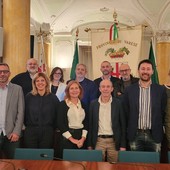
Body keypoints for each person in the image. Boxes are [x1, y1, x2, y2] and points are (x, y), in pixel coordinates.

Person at [123, 59, 167, 152]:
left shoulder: (160, 90)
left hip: (154, 134)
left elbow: (162, 111)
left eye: (148, 69)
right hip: (135, 134)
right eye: (143, 69)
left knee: (154, 164)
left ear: (152, 71)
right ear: (138, 71)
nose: (145, 71)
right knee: (136, 165)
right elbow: (126, 112)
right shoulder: (129, 90)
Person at [87, 79, 126, 162]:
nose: (105, 89)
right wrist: (89, 144)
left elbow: (123, 125)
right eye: (103, 87)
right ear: (99, 89)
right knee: (96, 166)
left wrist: (123, 145)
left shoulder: (118, 103)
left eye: (108, 87)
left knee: (114, 167)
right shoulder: (93, 104)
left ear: (112, 89)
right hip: (98, 141)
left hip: (114, 142)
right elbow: (90, 125)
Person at [24, 72, 59, 148]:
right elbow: (24, 114)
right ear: (34, 83)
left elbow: (57, 115)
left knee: (44, 157)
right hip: (31, 131)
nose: (40, 83)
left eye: (42, 80)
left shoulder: (53, 98)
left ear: (46, 82)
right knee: (30, 158)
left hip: (48, 131)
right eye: (37, 81)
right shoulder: (28, 97)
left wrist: (52, 128)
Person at [58, 80, 88, 158]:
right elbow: (60, 124)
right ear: (68, 91)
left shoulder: (84, 105)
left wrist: (83, 138)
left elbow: (86, 123)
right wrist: (72, 139)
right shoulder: (62, 104)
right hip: (67, 138)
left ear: (80, 90)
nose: (74, 90)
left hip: (82, 138)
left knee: (82, 163)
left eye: (76, 88)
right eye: (71, 88)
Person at [0, 63, 24, 159]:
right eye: (0, 72)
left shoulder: (17, 89)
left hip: (12, 134)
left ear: (9, 73)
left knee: (14, 163)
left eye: (5, 71)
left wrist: (17, 132)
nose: (2, 74)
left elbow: (21, 112)